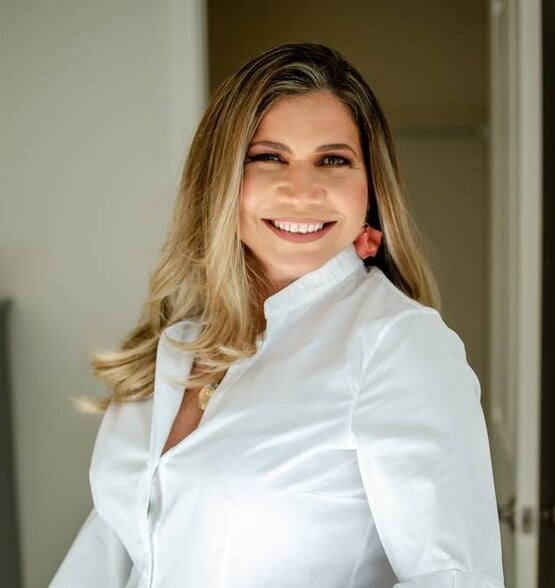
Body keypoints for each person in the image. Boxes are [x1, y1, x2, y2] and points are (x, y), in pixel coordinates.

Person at [50, 42, 505, 588]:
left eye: (333, 160)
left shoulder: (398, 344)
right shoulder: (176, 340)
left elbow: (453, 577)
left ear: (370, 188)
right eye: (269, 157)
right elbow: (112, 546)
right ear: (220, 179)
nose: (302, 191)